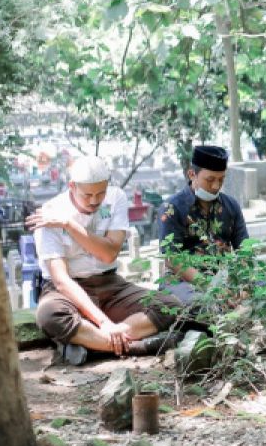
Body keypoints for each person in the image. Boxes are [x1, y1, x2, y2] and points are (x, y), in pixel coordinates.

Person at [28, 156, 182, 365]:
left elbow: (108, 254)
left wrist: (69, 225)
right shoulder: (50, 214)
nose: (94, 200)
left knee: (169, 305)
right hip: (68, 290)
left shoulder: (115, 198)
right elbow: (61, 280)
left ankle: (93, 345)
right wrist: (104, 323)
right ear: (72, 186)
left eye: (100, 193)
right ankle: (136, 346)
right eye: (87, 195)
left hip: (110, 284)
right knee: (49, 315)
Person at [158, 145, 249, 305]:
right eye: (210, 180)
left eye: (221, 179)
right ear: (192, 174)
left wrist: (243, 282)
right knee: (198, 303)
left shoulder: (231, 206)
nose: (216, 186)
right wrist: (212, 287)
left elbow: (245, 250)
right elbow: (173, 259)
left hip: (225, 279)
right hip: (184, 283)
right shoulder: (172, 208)